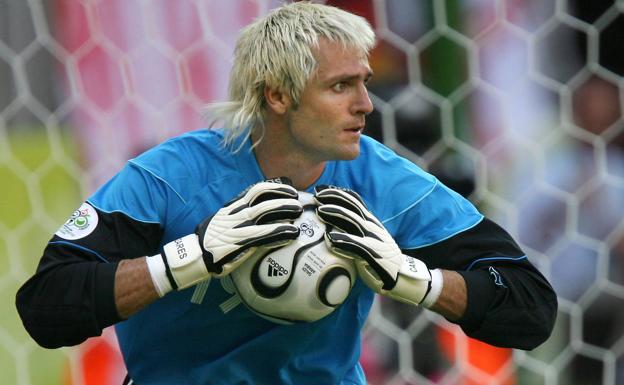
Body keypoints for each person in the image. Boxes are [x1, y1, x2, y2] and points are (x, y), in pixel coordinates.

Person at [15, 2, 557, 384]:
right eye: (341, 86)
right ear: (276, 94)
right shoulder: (168, 177)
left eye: (365, 82)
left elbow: (530, 306)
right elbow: (46, 305)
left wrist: (412, 279)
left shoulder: (385, 181)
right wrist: (190, 260)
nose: (367, 105)